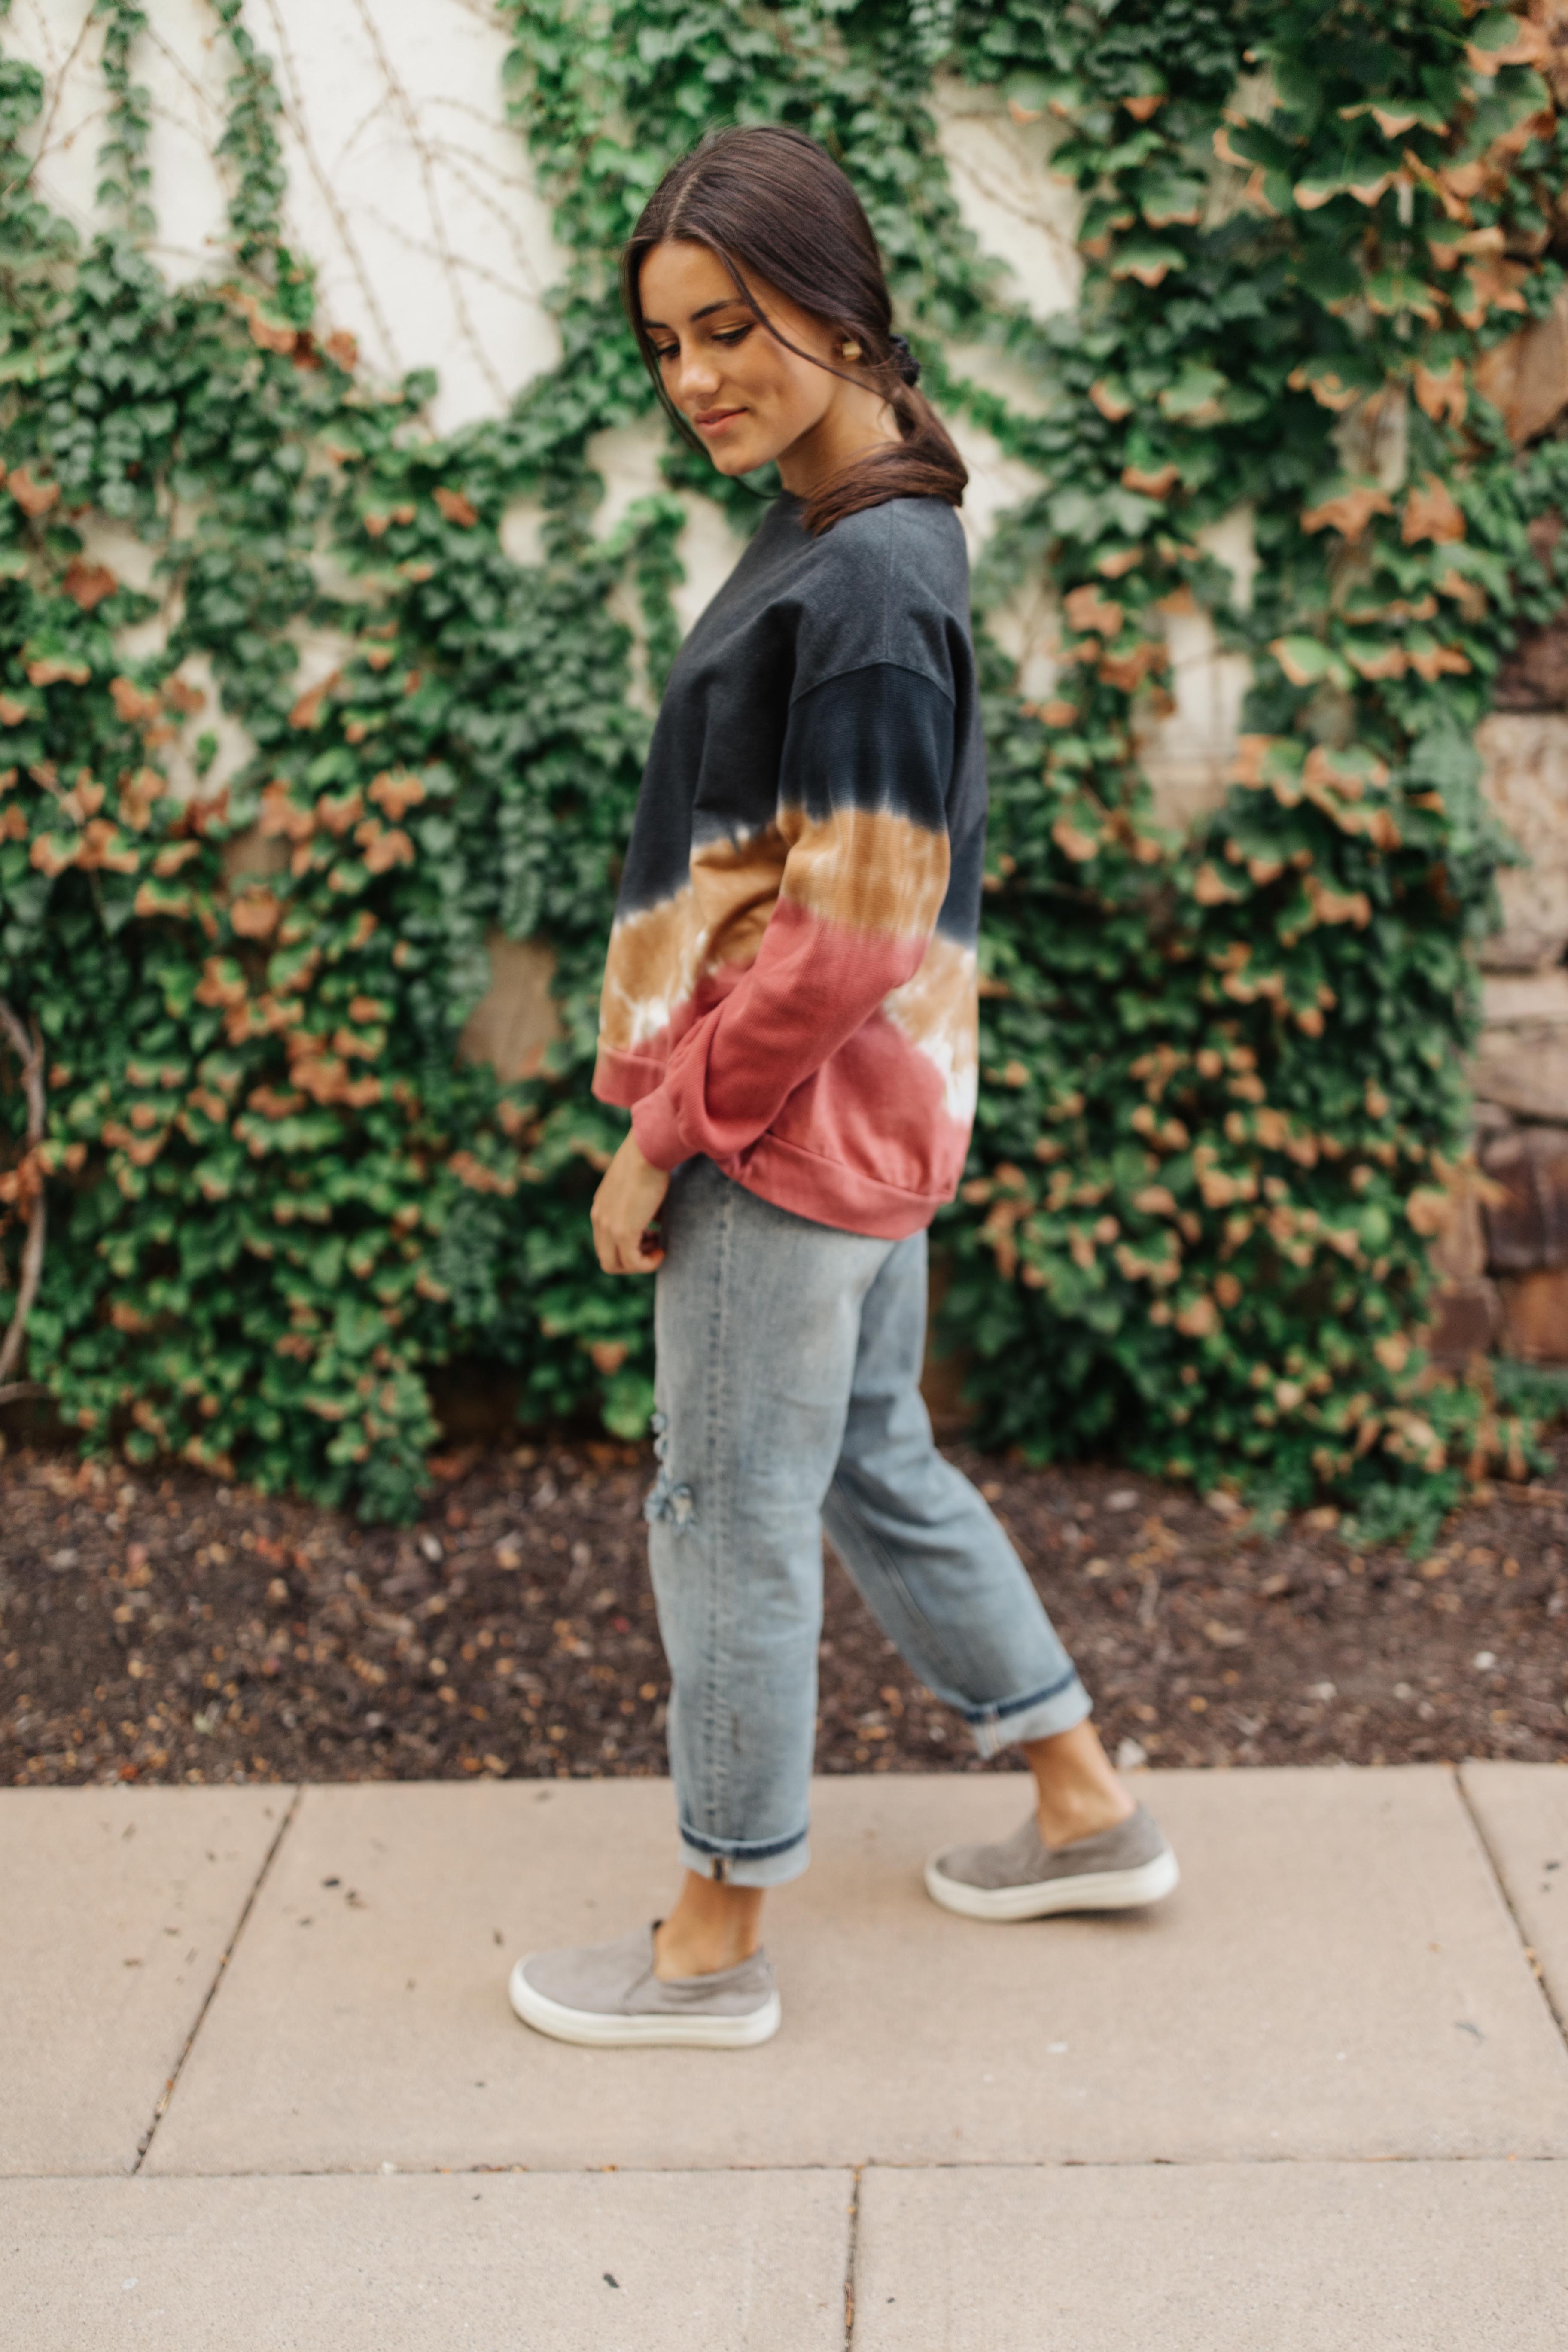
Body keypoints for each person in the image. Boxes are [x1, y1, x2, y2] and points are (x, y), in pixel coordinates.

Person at [508, 124, 1176, 2051]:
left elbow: (851, 923)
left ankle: (712, 1937)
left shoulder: (867, 572)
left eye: (731, 326)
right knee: (872, 1457)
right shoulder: (858, 509)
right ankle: (1081, 1804)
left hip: (780, 1127)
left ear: (837, 302)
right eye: (663, 344)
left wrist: (661, 1131)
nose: (697, 374)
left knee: (724, 1504)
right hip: (864, 1120)